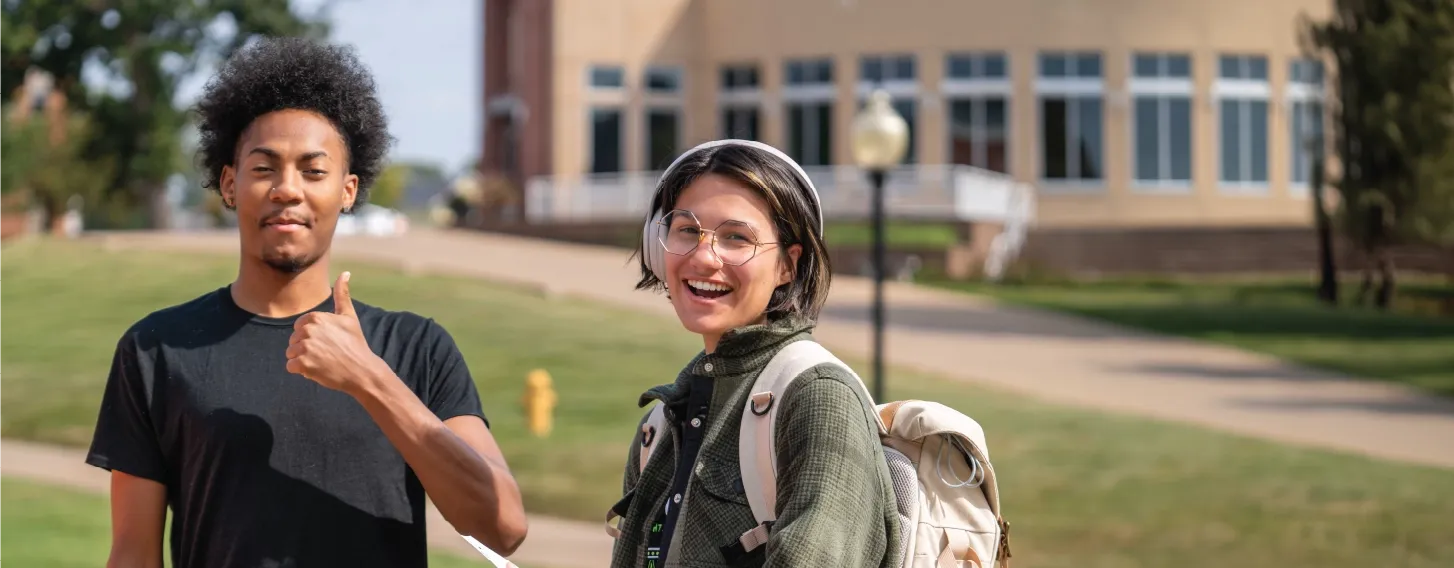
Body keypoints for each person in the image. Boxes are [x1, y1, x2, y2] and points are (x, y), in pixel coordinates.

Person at [85, 37, 528, 568]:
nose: (287, 189)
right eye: (264, 168)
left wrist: (369, 378)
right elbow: (132, 555)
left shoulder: (417, 348)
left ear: (347, 189)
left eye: (313, 171)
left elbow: (503, 529)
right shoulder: (156, 349)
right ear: (229, 184)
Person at [609, 140, 903, 567]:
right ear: (660, 246)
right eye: (687, 230)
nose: (705, 257)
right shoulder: (659, 425)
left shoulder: (820, 398)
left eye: (736, 238)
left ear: (788, 265)